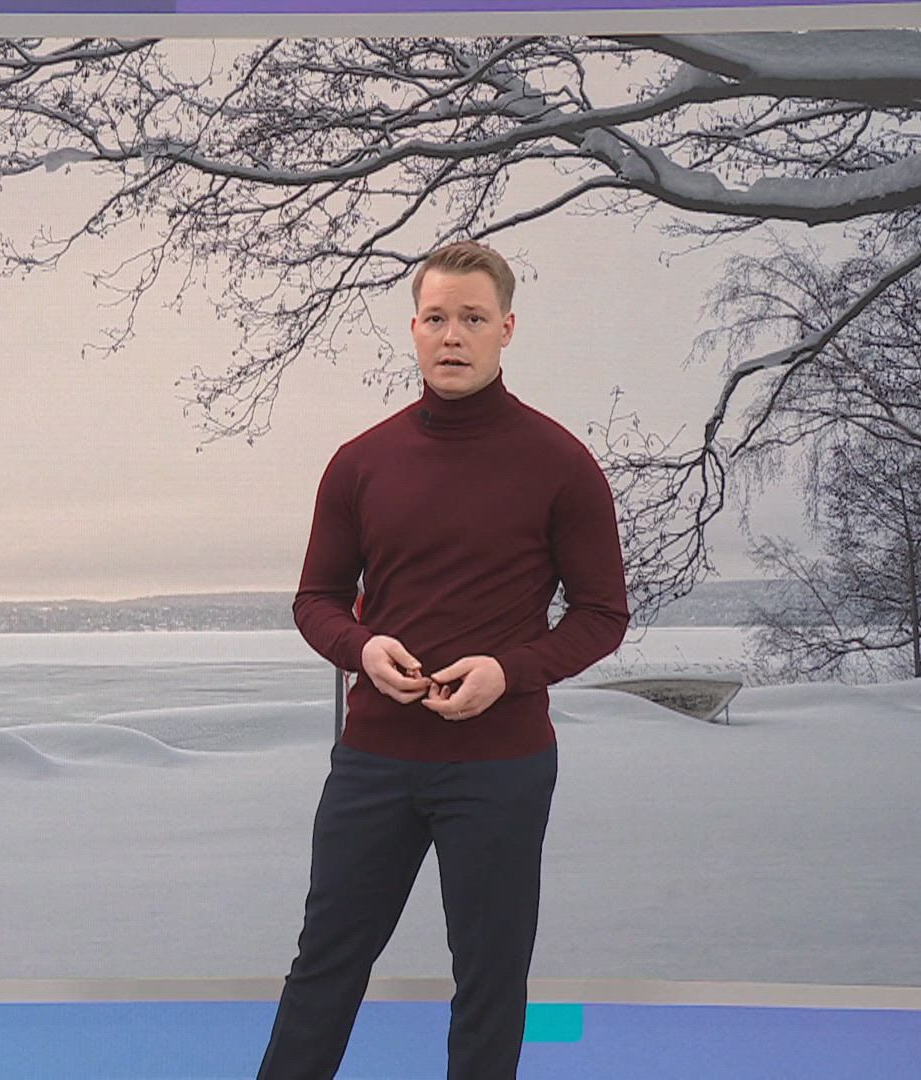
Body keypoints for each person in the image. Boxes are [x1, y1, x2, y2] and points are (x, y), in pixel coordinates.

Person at [258, 240, 631, 1079]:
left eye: (471, 318)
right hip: (375, 761)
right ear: (414, 329)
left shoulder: (561, 464)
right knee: (324, 967)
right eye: (435, 318)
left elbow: (603, 615)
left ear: (507, 329)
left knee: (490, 980)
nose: (452, 335)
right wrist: (362, 647)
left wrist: (509, 672)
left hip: (500, 765)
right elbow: (316, 600)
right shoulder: (360, 462)